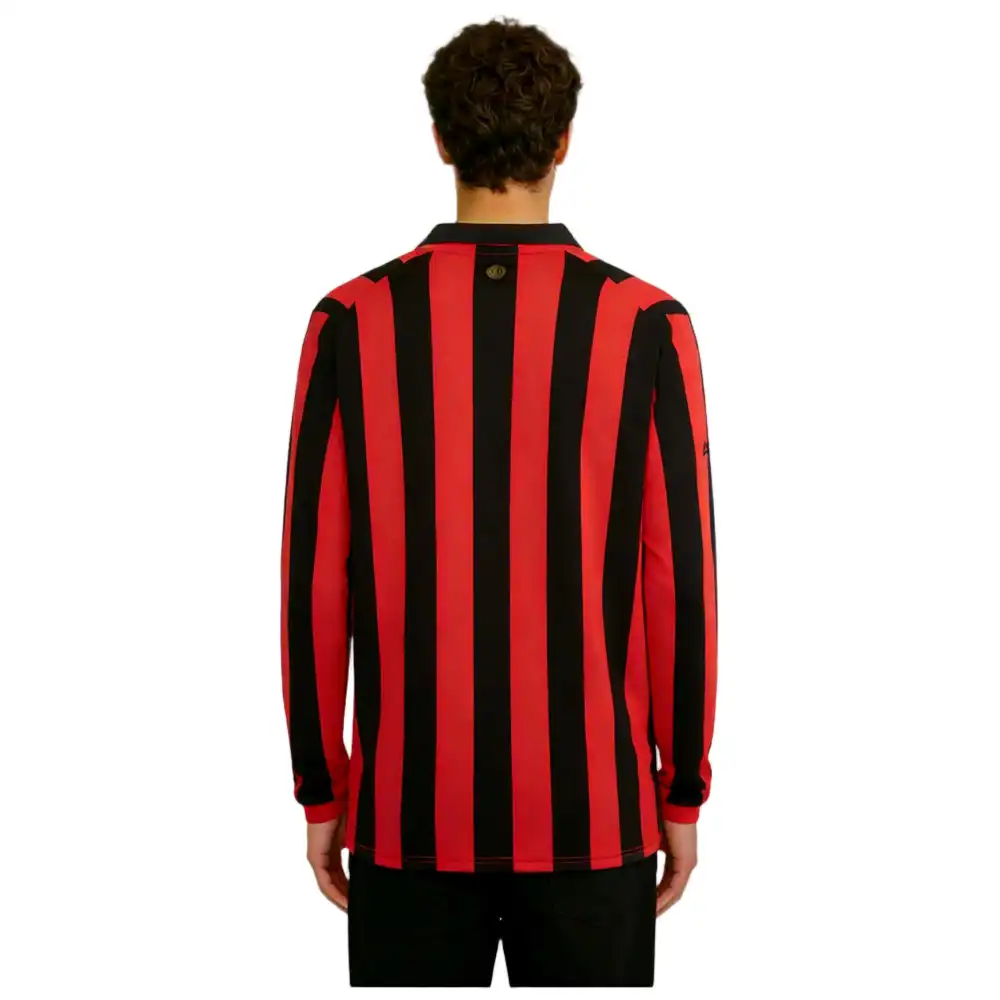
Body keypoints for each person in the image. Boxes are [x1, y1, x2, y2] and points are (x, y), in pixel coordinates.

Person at [279, 17, 718, 987]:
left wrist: (321, 788)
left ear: (440, 139)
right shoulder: (646, 324)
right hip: (596, 813)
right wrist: (680, 790)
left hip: (406, 813)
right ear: (564, 140)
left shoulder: (350, 319)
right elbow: (680, 582)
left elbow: (313, 579)